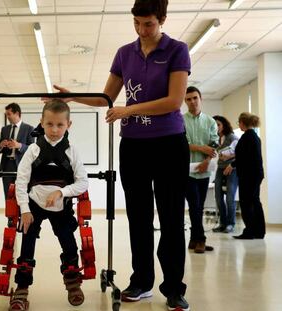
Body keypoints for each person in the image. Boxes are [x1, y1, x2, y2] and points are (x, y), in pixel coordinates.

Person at [52, 0, 192, 309]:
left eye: (149, 24)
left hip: (169, 144)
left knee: (170, 218)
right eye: (137, 24)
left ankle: (173, 289)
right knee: (139, 218)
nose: (142, 31)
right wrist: (71, 96)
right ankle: (141, 281)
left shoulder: (177, 50)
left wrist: (129, 109)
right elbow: (106, 98)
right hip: (134, 145)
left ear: (162, 20)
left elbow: (174, 101)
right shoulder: (124, 53)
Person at [9, 100, 89, 311]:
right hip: (33, 205)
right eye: (50, 124)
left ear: (68, 125)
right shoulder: (33, 150)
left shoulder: (72, 151)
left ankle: (73, 284)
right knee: (27, 244)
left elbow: (82, 183)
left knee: (69, 244)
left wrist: (61, 192)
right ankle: (22, 289)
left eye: (60, 125)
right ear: (42, 123)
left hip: (61, 206)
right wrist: (24, 210)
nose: (54, 130)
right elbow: (21, 181)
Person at [183, 86, 219, 254]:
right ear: (185, 101)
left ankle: (193, 239)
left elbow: (214, 143)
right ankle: (201, 240)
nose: (192, 101)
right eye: (189, 99)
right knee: (195, 205)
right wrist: (202, 148)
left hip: (205, 171)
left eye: (195, 98)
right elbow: (183, 144)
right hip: (188, 172)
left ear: (200, 99)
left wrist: (207, 160)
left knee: (198, 206)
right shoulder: (181, 121)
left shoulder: (210, 122)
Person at [224, 112, 265, 239]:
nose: (239, 125)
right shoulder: (254, 137)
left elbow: (244, 157)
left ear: (243, 122)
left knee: (247, 203)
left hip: (249, 175)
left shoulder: (247, 137)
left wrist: (232, 164)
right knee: (255, 202)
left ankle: (249, 231)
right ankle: (258, 231)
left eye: (239, 122)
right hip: (254, 174)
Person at [0, 103, 34, 197]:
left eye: (9, 114)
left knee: (21, 195)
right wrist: (1, 145)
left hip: (22, 166)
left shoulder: (29, 129)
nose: (7, 117)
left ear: (17, 113)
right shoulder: (4, 129)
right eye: (6, 115)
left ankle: (21, 212)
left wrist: (19, 145)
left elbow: (32, 149)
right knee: (8, 195)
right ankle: (9, 212)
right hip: (7, 166)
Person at [212, 115, 239, 234]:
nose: (216, 127)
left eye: (218, 124)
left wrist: (229, 157)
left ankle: (231, 224)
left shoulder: (232, 137)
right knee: (218, 197)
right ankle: (222, 223)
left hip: (232, 168)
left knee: (229, 198)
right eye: (214, 125)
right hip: (220, 168)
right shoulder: (216, 139)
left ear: (224, 125)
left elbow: (241, 153)